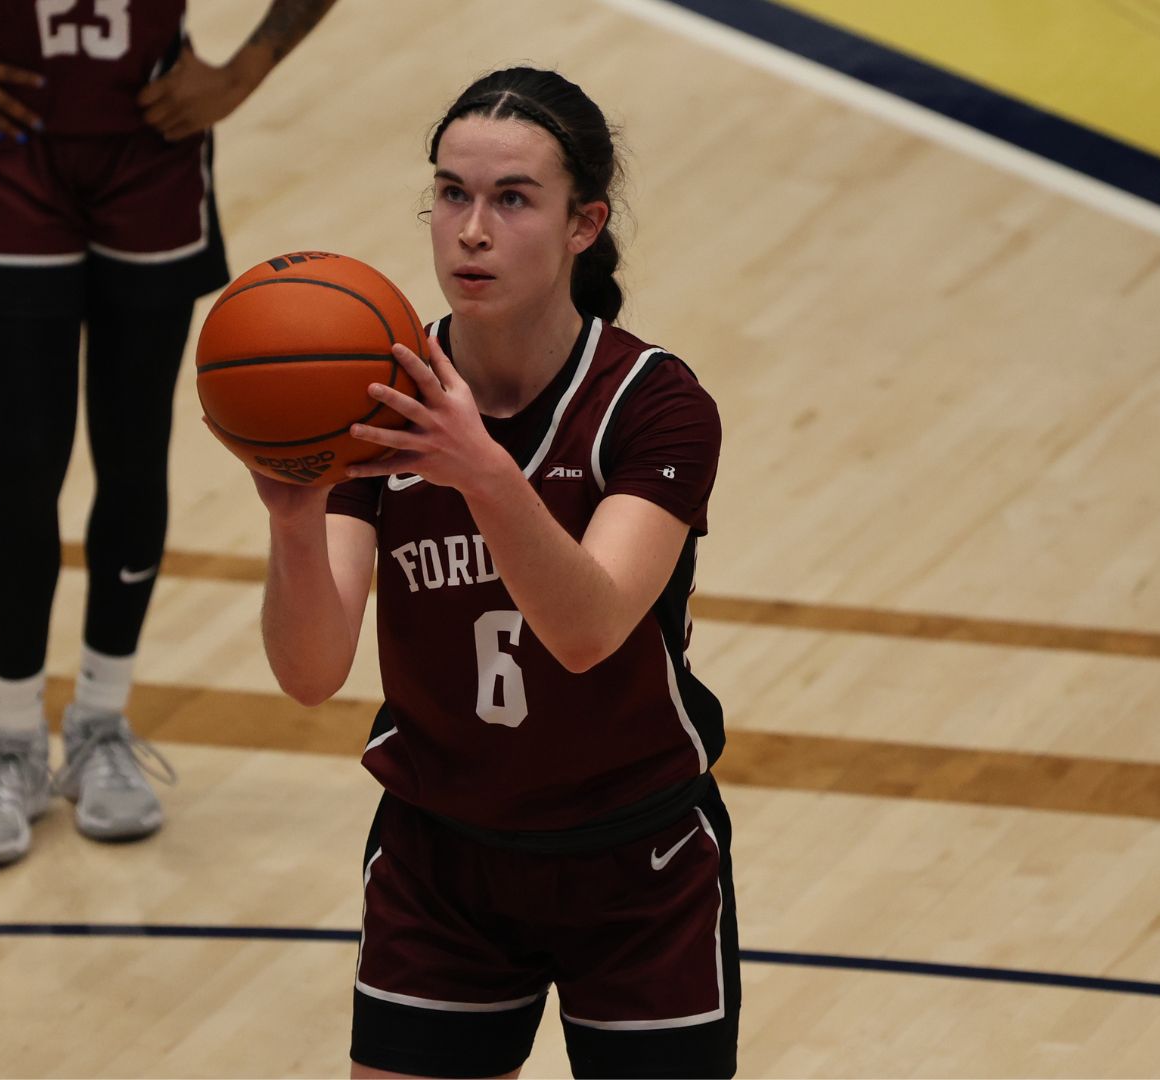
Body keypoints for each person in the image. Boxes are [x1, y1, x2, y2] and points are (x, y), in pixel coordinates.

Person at [254, 67, 739, 1080]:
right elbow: (311, 671)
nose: (471, 229)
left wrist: (481, 470)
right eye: (453, 193)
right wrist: (296, 519)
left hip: (636, 866)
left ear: (582, 225)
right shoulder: (375, 399)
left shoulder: (655, 407)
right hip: (444, 864)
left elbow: (588, 628)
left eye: (512, 198)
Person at [0, 0, 337, 866]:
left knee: (134, 451)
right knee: (27, 460)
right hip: (14, 146)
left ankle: (101, 724)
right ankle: (12, 744)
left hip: (153, 145)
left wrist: (245, 68)